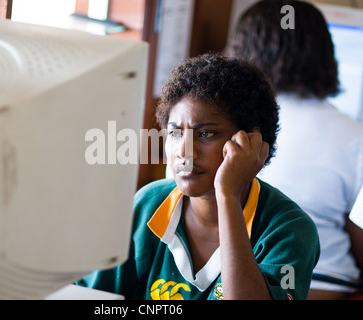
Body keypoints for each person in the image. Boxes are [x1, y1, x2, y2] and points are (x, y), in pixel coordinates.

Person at [77, 53, 319, 300]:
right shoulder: (149, 204)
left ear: (252, 143)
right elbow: (89, 296)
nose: (184, 151)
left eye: (206, 134)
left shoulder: (289, 230)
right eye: (175, 133)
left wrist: (227, 194)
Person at [230, 0, 363, 299]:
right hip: (325, 286)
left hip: (230, 281)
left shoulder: (223, 131)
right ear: (326, 54)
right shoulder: (355, 138)